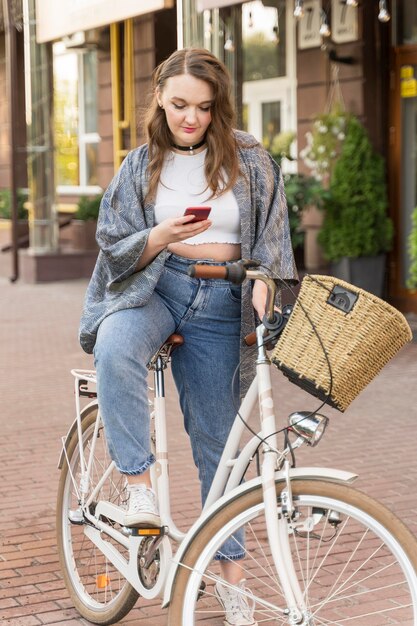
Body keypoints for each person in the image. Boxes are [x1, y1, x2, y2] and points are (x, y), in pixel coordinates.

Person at [79, 47, 297, 626]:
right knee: (115, 346)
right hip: (156, 287)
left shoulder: (250, 158)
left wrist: (264, 285)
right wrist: (159, 233)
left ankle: (230, 585)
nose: (190, 118)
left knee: (219, 445)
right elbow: (113, 240)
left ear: (218, 106)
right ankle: (139, 489)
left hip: (226, 296)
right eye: (179, 105)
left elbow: (274, 239)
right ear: (160, 98)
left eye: (202, 107)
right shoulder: (139, 164)